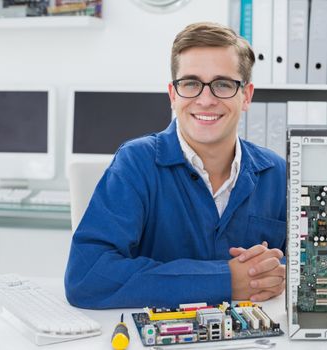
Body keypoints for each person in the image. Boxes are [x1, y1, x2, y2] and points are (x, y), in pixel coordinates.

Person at [64, 22, 286, 309]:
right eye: (191, 83)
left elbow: (306, 271)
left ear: (246, 95)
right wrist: (225, 280)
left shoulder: (278, 173)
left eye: (223, 84)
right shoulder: (135, 163)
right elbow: (87, 277)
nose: (206, 100)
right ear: (173, 94)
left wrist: (275, 273)